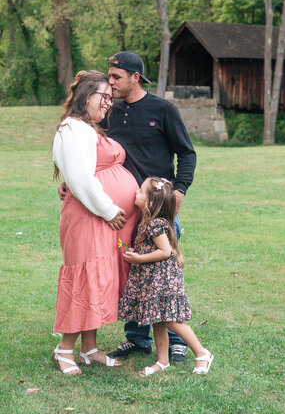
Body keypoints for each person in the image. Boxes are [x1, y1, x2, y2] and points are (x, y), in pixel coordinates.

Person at [59, 51, 196, 363]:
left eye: (117, 77)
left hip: (156, 208)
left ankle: (176, 340)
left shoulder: (163, 109)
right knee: (134, 271)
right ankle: (136, 339)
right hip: (125, 211)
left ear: (136, 77)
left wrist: (180, 190)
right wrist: (71, 180)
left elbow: (186, 153)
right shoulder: (108, 111)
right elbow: (92, 155)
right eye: (109, 76)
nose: (111, 83)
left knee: (164, 272)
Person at [52, 71, 141, 375]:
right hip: (90, 216)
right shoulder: (73, 129)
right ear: (85, 95)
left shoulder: (86, 128)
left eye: (109, 98)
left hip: (101, 218)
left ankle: (89, 349)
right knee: (86, 280)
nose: (108, 103)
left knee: (98, 278)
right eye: (103, 96)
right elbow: (80, 179)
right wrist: (108, 209)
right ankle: (64, 349)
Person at [119, 177, 213, 376]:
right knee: (158, 320)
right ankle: (162, 361)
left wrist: (139, 258)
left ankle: (202, 353)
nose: (136, 192)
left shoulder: (155, 224)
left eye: (141, 191)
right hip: (154, 280)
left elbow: (166, 251)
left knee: (171, 320)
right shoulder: (148, 221)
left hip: (163, 280)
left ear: (150, 203)